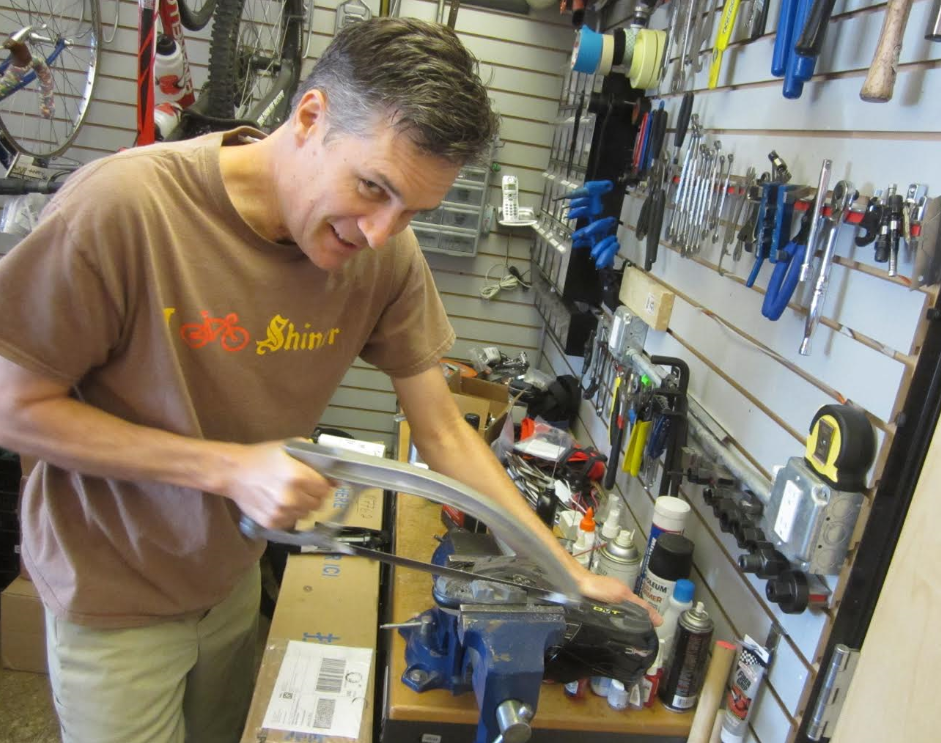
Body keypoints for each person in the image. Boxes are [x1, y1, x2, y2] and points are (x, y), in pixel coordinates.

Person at [0, 17, 658, 743]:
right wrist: (228, 468)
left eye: (412, 210)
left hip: (228, 584)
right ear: (310, 116)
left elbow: (442, 430)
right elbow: (13, 406)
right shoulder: (125, 207)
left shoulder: (386, 252)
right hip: (112, 601)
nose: (381, 232)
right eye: (372, 187)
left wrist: (563, 569)